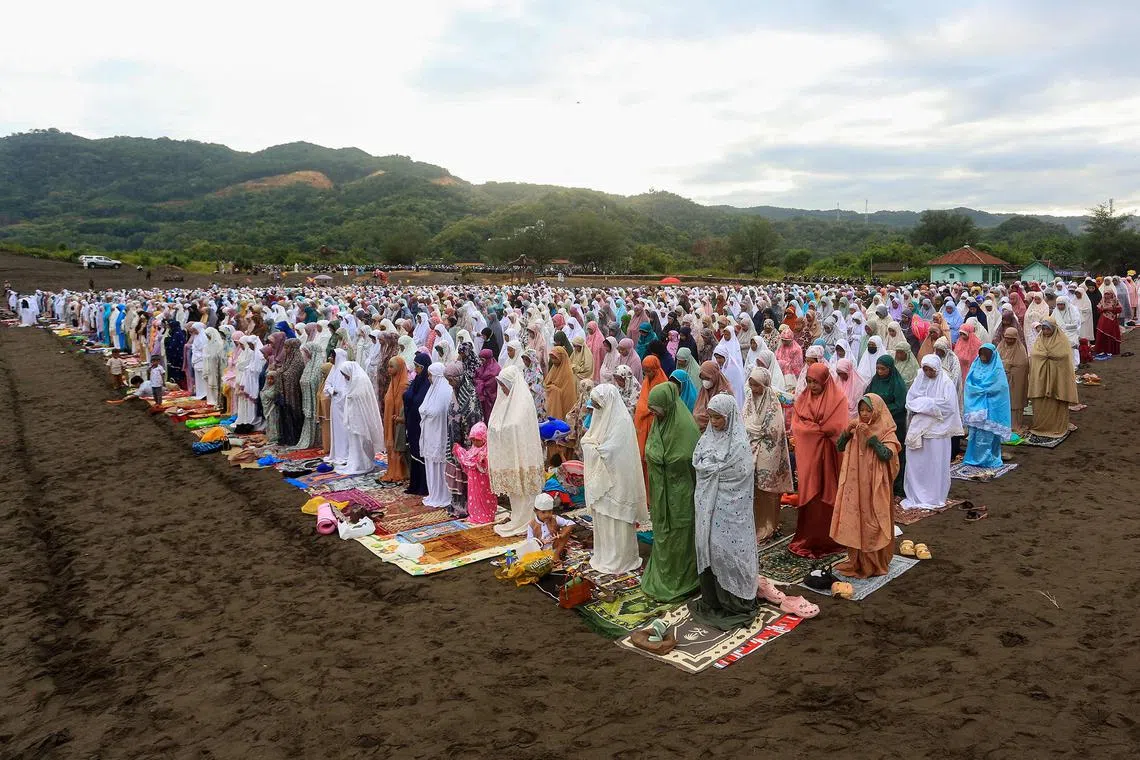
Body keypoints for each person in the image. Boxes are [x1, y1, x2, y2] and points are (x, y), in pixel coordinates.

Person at [690, 394, 759, 630]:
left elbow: (741, 473)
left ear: (729, 417)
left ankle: (735, 601)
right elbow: (698, 462)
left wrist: (715, 470)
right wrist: (712, 470)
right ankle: (713, 599)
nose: (714, 422)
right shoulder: (706, 438)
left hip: (730, 508)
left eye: (718, 418)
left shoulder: (739, 444)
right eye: (711, 417)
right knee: (708, 545)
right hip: (706, 503)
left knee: (727, 549)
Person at [641, 382, 700, 602]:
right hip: (660, 491)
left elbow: (687, 457)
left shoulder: (686, 427)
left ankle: (683, 580)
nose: (653, 413)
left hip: (681, 493)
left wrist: (665, 461)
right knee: (663, 534)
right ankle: (663, 575)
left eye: (657, 408)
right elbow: (651, 449)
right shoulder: (659, 423)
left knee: (681, 533)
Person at [830, 394, 900, 578]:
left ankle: (876, 563)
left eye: (869, 410)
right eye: (862, 410)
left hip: (875, 486)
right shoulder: (856, 427)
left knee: (873, 520)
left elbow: (887, 455)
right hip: (856, 483)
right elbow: (839, 446)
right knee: (857, 519)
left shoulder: (886, 431)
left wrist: (872, 438)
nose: (865, 414)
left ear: (877, 411)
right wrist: (847, 432)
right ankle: (858, 561)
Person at [581, 384, 648, 576]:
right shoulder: (601, 416)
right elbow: (590, 437)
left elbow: (610, 451)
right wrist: (589, 445)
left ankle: (622, 558)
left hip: (617, 481)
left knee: (616, 520)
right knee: (603, 518)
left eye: (598, 405)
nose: (596, 410)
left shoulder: (621, 422)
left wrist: (591, 447)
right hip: (602, 483)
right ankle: (604, 555)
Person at [789, 363, 847, 558]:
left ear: (825, 381)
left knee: (827, 494)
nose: (812, 386)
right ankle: (810, 538)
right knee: (811, 496)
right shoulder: (804, 398)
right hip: (810, 458)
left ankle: (830, 539)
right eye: (809, 381)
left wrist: (813, 430)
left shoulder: (837, 399)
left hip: (829, 457)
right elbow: (798, 426)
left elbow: (837, 427)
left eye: (815, 382)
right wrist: (815, 431)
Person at [489, 365, 546, 537]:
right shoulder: (504, 402)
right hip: (509, 456)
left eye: (505, 385)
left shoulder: (523, 404)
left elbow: (515, 427)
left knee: (525, 491)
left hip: (523, 458)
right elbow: (495, 423)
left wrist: (500, 430)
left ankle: (527, 520)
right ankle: (518, 517)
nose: (503, 389)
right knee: (515, 492)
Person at [900, 355, 963, 510]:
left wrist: (926, 405)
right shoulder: (919, 379)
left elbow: (948, 406)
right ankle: (916, 494)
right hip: (919, 429)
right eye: (925, 369)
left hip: (937, 431)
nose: (927, 373)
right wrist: (928, 405)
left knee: (934, 464)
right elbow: (911, 400)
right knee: (917, 464)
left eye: (931, 370)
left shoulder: (946, 383)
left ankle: (934, 496)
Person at [743, 367, 793, 543]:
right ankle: (755, 524)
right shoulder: (749, 398)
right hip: (751, 448)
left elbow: (775, 429)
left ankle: (769, 525)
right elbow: (745, 420)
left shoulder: (772, 401)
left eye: (757, 386)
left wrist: (755, 433)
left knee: (768, 490)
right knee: (754, 489)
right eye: (752, 385)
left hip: (768, 450)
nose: (754, 390)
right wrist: (752, 433)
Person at [1027, 317, 1080, 439]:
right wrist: (1045, 356)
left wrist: (1049, 356)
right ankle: (1042, 425)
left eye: (1048, 329)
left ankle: (1057, 425)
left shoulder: (1062, 341)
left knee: (1056, 400)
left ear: (1054, 329)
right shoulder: (1039, 340)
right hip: (1041, 379)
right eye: (1044, 328)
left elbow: (1064, 356)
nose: (1045, 331)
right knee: (1041, 402)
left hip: (1058, 379)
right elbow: (1034, 355)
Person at [864, 355, 909, 497]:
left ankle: (897, 484)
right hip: (876, 423)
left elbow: (900, 404)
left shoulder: (897, 383)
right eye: (877, 368)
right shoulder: (875, 381)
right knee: (876, 453)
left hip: (894, 423)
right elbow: (867, 397)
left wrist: (882, 410)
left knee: (893, 452)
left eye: (883, 369)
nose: (879, 371)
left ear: (890, 369)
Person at [962, 344, 1011, 469]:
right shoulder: (976, 364)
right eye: (981, 353)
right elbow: (968, 383)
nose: (983, 356)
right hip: (976, 407)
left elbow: (1001, 387)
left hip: (991, 407)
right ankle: (974, 457)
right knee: (975, 435)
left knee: (988, 435)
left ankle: (988, 458)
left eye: (986, 353)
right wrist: (979, 391)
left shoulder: (997, 368)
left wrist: (985, 390)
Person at [338, 361, 385, 475]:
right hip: (354, 415)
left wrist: (350, 396)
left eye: (345, 374)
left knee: (362, 439)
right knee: (355, 441)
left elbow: (360, 396)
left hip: (361, 416)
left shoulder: (361, 379)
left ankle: (364, 463)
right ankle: (357, 462)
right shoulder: (354, 379)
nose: (345, 377)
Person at [418, 363, 453, 507]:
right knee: (431, 465)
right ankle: (434, 493)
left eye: (431, 375)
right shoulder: (432, 391)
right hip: (429, 435)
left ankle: (443, 495)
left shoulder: (446, 392)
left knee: (440, 465)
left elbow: (438, 412)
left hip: (440, 436)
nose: (428, 378)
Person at [453, 422, 497, 524]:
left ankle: (487, 515)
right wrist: (459, 450)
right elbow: (467, 458)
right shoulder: (474, 449)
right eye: (473, 440)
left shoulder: (487, 449)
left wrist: (482, 461)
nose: (475, 442)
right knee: (474, 496)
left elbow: (485, 465)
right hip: (474, 480)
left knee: (485, 496)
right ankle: (476, 514)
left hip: (485, 481)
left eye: (477, 440)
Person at [403, 353, 433, 496]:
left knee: (421, 454)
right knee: (414, 452)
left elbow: (421, 403)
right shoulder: (417, 381)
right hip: (413, 423)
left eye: (418, 367)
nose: (415, 370)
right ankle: (415, 484)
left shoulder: (428, 384)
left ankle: (424, 486)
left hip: (422, 425)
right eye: (415, 366)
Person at [997, 327, 1029, 433]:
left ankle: (1015, 424)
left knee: (1015, 401)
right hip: (1002, 379)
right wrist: (1004, 365)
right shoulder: (1001, 346)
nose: (1009, 341)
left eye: (1011, 339)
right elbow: (995, 361)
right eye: (1007, 338)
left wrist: (1009, 366)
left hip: (1016, 380)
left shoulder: (1021, 349)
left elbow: (1023, 364)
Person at [526, 493, 574, 558]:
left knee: (567, 533)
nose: (547, 515)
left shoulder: (554, 518)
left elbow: (571, 523)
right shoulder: (531, 524)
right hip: (540, 548)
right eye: (543, 512)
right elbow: (529, 540)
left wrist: (562, 534)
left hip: (555, 546)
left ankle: (556, 555)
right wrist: (540, 541)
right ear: (535, 511)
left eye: (550, 511)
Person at [1095, 289, 1123, 356]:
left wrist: (1112, 309)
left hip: (1112, 320)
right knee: (1102, 334)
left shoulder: (1115, 300)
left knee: (1111, 333)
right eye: (1105, 294)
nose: (1107, 296)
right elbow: (1098, 309)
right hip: (1103, 320)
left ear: (1112, 294)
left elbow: (1119, 309)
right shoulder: (1102, 300)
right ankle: (1101, 350)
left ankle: (1110, 350)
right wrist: (1103, 309)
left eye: (1108, 294)